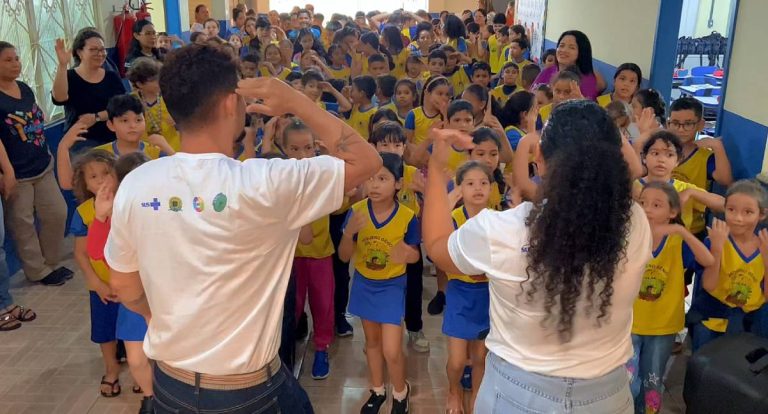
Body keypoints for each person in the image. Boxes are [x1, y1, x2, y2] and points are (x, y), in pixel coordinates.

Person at [103, 43, 381, 412]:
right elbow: (367, 160)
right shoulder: (267, 182)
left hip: (171, 385)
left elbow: (123, 284)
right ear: (231, 104)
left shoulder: (137, 183)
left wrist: (157, 318)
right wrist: (296, 101)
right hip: (248, 393)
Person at [423, 100, 653, 413]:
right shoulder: (634, 223)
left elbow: (437, 246)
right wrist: (596, 121)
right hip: (607, 396)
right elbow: (634, 169)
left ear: (540, 160)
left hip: (518, 395)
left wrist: (437, 171)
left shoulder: (502, 231)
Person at [339, 152, 420, 414]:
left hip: (392, 286)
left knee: (392, 350)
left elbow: (415, 255)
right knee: (371, 344)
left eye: (382, 178)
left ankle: (400, 391)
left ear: (398, 184)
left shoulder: (407, 217)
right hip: (364, 283)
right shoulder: (356, 212)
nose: (374, 185)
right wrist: (349, 234)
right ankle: (377, 390)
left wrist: (408, 254)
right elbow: (343, 257)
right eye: (370, 178)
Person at [628, 182, 714, 414]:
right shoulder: (629, 236)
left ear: (673, 212)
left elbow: (708, 261)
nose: (647, 209)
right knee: (628, 380)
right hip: (629, 323)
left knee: (652, 380)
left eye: (657, 205)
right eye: (643, 203)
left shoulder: (678, 242)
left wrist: (682, 231)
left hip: (662, 325)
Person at [87, 152, 155, 414]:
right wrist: (101, 217)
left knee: (165, 355)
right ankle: (150, 396)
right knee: (137, 358)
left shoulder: (163, 208)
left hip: (165, 295)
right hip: (135, 299)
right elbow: (96, 253)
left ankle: (164, 393)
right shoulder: (115, 213)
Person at [0, 41, 72, 286]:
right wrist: (6, 171)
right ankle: (37, 271)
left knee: (57, 213)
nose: (15, 64)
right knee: (23, 224)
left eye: (17, 58)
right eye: (7, 60)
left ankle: (50, 263)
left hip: (42, 164)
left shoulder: (23, 88)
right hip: (16, 174)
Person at [281, 119, 336, 380]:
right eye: (294, 149)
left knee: (323, 303)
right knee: (292, 306)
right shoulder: (278, 177)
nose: (302, 155)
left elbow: (350, 193)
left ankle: (322, 347)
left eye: (308, 148)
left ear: (316, 148)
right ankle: (286, 353)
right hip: (288, 257)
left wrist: (330, 158)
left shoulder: (323, 175)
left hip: (320, 253)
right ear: (283, 150)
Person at [369, 122, 430, 353]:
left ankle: (414, 328)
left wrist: (422, 192)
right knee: (379, 285)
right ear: (373, 147)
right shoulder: (371, 174)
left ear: (404, 147)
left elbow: (428, 206)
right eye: (384, 144)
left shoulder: (413, 173)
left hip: (408, 238)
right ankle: (375, 335)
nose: (391, 149)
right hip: (378, 238)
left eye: (397, 144)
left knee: (413, 286)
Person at [690, 180, 768, 351]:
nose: (738, 218)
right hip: (712, 319)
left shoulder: (764, 245)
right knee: (703, 370)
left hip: (749, 324)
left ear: (761, 215)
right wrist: (717, 249)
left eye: (748, 212)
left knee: (737, 373)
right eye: (731, 210)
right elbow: (709, 286)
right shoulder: (714, 240)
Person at [444, 161, 493, 414]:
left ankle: (476, 395)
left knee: (480, 357)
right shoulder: (452, 218)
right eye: (470, 183)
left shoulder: (497, 219)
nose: (478, 189)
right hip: (460, 293)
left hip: (488, 295)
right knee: (456, 360)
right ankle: (453, 391)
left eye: (484, 183)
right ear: (459, 188)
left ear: (491, 189)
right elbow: (442, 257)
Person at [52, 30, 127, 150]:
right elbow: (59, 98)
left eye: (102, 49)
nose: (100, 53)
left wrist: (96, 117)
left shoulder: (111, 77)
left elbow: (123, 107)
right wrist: (62, 65)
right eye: (93, 49)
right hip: (81, 141)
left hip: (112, 138)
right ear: (80, 52)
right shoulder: (69, 76)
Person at [127, 58, 180, 151]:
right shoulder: (131, 100)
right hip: (145, 150)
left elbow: (189, 121)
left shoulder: (171, 96)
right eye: (153, 80)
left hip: (172, 147)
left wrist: (179, 119)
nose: (158, 82)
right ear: (139, 84)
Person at [533, 30, 606, 99]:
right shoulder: (548, 71)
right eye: (561, 46)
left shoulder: (587, 80)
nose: (564, 50)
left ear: (581, 52)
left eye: (572, 47)